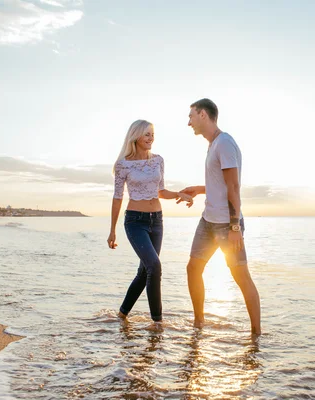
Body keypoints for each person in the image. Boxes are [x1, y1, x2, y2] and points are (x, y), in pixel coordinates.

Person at [179, 99, 262, 335]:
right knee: (193, 268)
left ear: (203, 115)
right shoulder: (213, 144)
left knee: (241, 276)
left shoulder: (225, 143)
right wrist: (199, 188)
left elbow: (233, 186)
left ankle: (256, 334)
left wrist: (235, 226)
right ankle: (199, 324)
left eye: (191, 116)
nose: (189, 122)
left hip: (227, 225)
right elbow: (219, 183)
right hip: (208, 222)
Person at [108, 119, 193, 329]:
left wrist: (179, 194)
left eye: (152, 134)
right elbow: (117, 197)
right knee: (154, 266)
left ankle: (121, 314)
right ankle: (157, 322)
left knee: (145, 271)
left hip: (157, 221)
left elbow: (161, 191)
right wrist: (112, 231)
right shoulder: (123, 165)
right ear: (135, 136)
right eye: (146, 134)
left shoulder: (158, 161)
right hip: (135, 221)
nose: (151, 138)